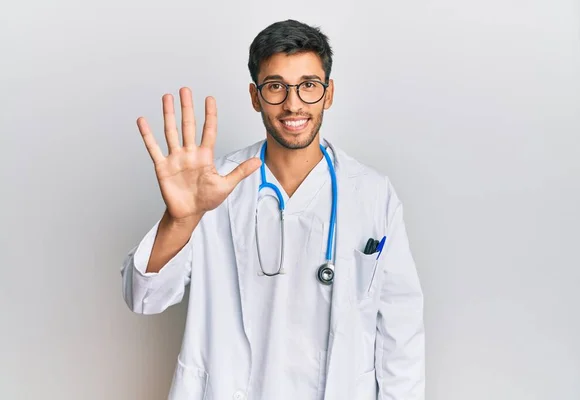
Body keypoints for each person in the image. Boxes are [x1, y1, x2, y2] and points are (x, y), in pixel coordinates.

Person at [121, 19, 425, 400]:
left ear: (328, 94)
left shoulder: (373, 193)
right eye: (276, 86)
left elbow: (402, 331)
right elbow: (143, 297)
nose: (293, 103)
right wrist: (181, 218)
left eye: (308, 86)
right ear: (255, 96)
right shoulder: (215, 187)